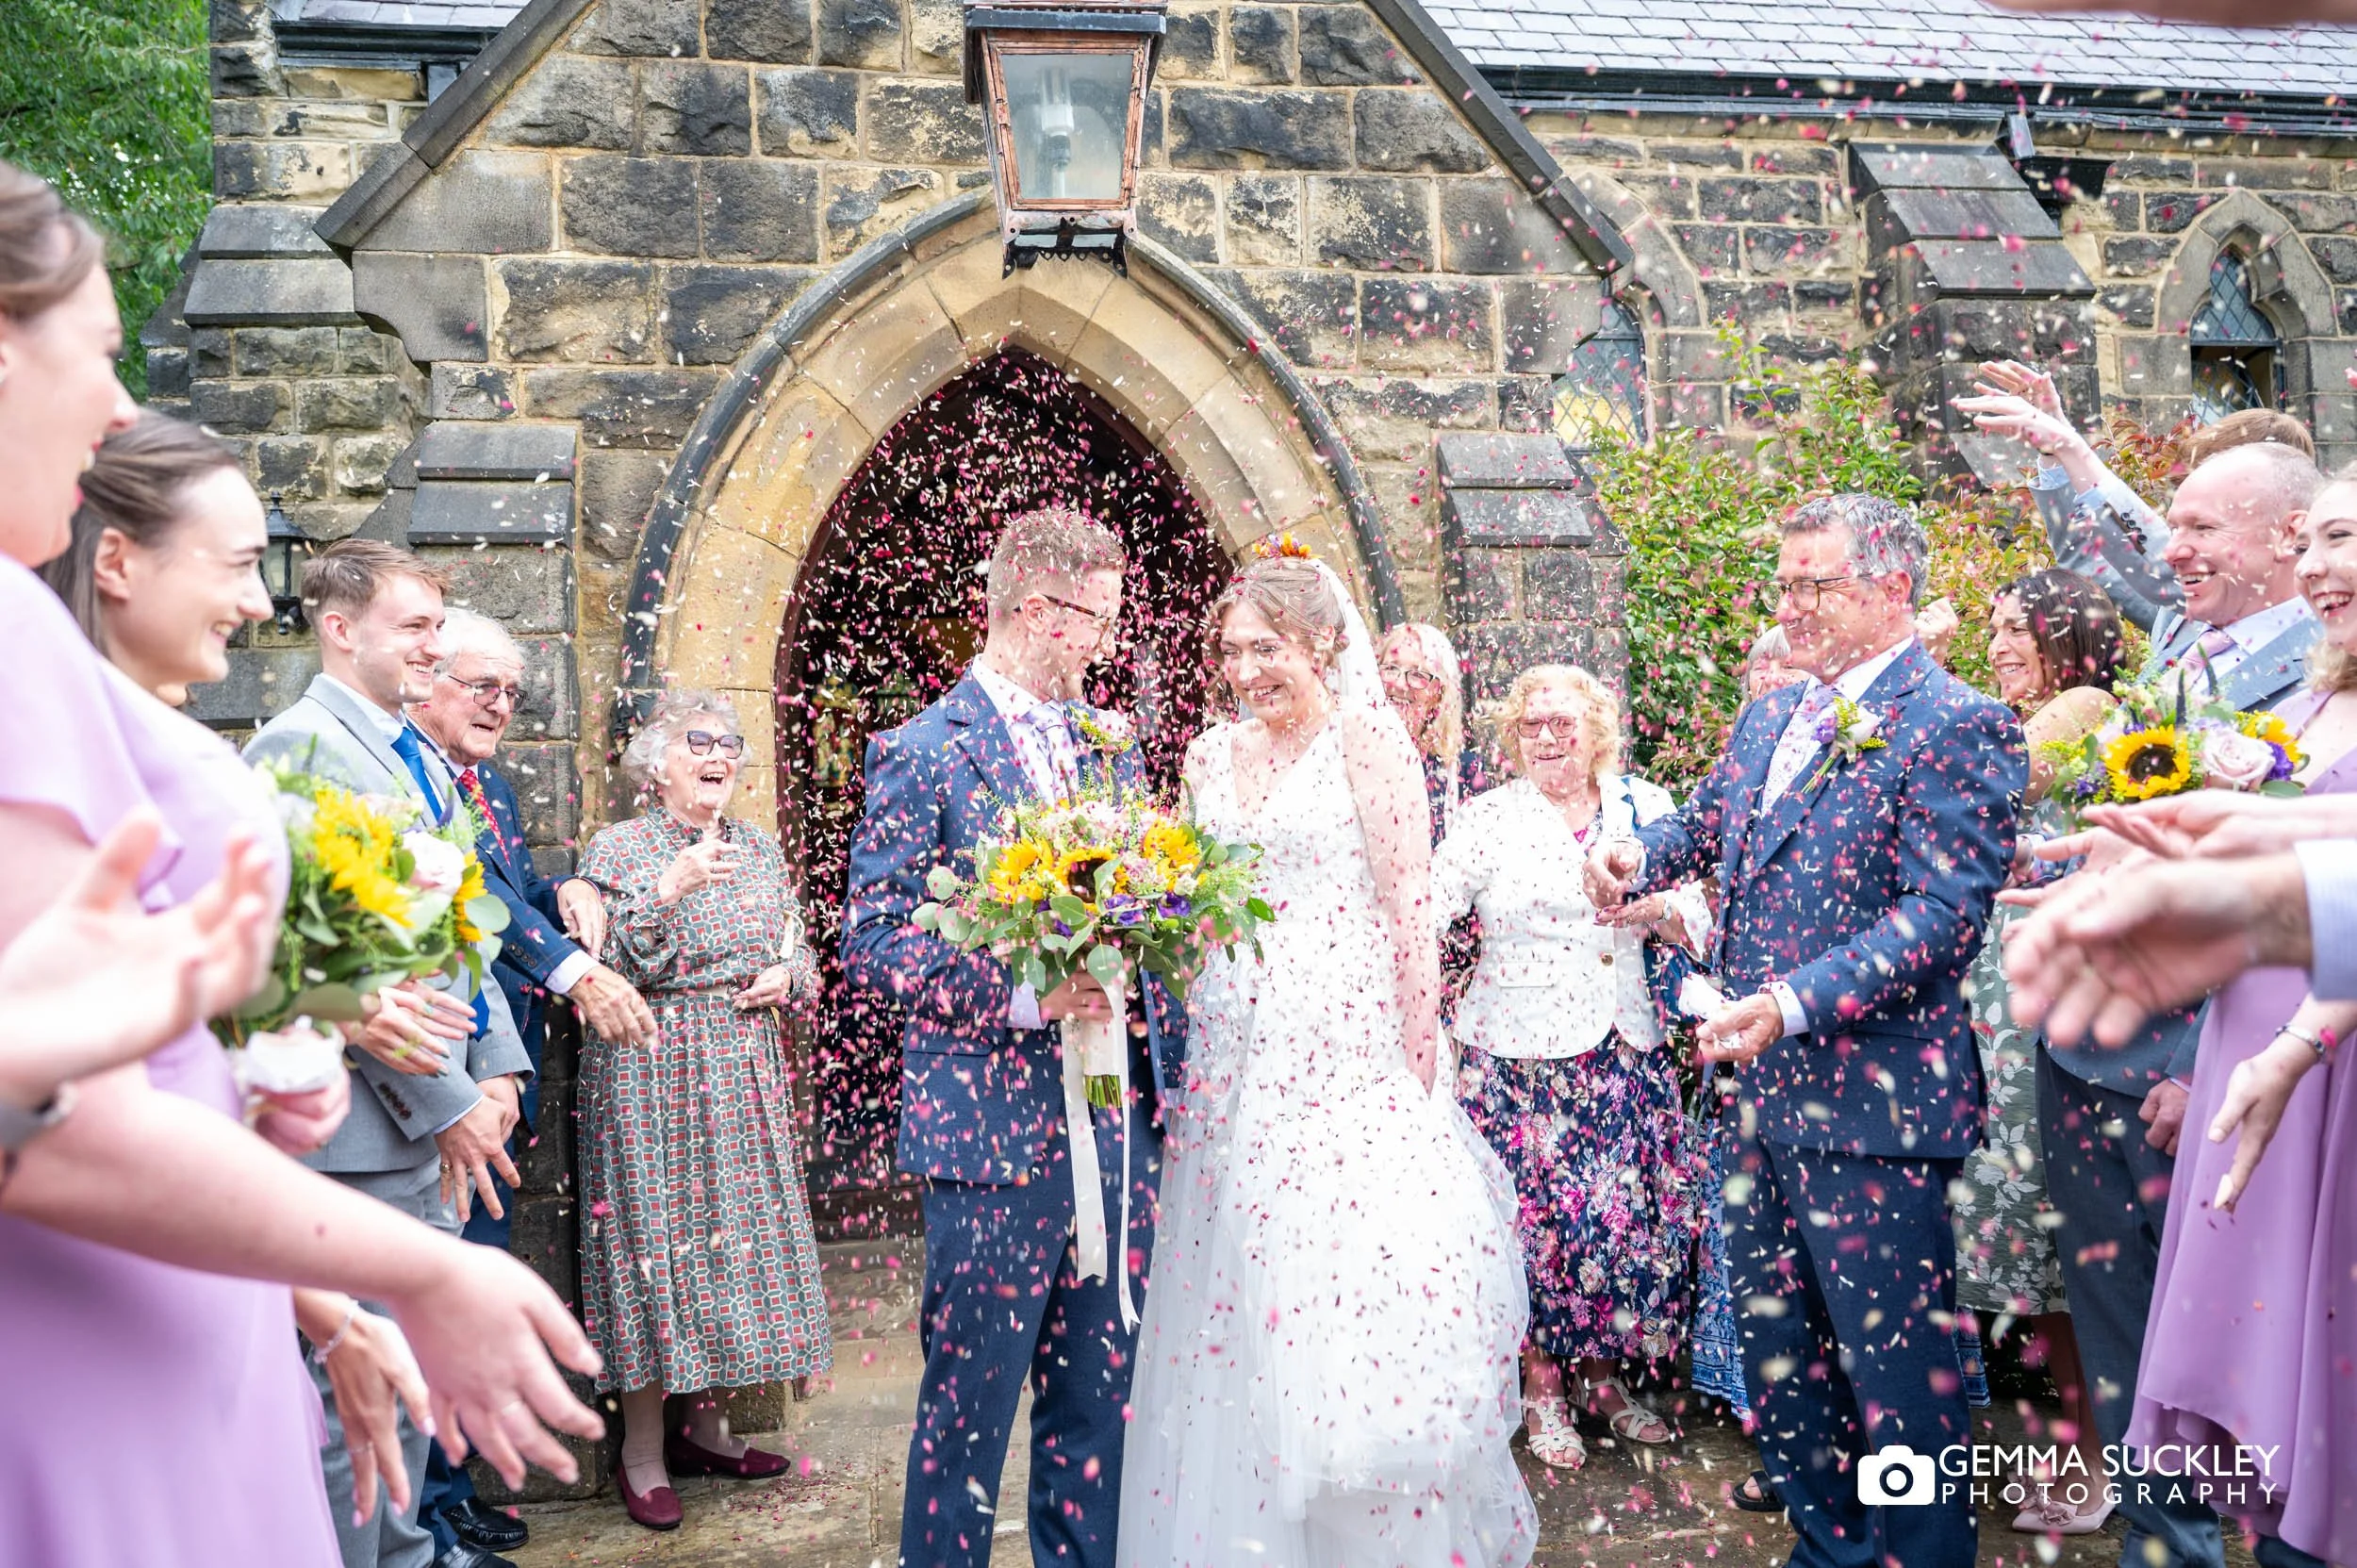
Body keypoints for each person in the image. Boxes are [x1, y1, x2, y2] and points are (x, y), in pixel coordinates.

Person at [0, 157, 601, 1568]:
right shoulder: (32, 655)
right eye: (94, 354)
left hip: (206, 1290)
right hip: (100, 1340)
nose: (112, 410)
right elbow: (46, 1118)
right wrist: (400, 1269)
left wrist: (310, 1298)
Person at [1587, 493, 2023, 1568]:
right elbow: (1707, 818)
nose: (1794, 604)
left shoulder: (1957, 721)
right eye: (1783, 583)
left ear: (1891, 588)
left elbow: (1940, 916)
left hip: (1871, 1102)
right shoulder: (1770, 717)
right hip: (1750, 1101)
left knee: (1894, 1370)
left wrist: (1787, 1003)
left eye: (1815, 583)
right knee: (1783, 1360)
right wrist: (1637, 856)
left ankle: (1919, 1553)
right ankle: (1828, 1547)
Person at [1119, 548, 1535, 1566]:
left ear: (1319, 643)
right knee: (1229, 1277)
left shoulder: (1369, 741)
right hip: (1230, 1041)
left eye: (1267, 647)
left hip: (1342, 1045)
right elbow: (1192, 903)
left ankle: (1366, 1527)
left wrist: (1415, 1055)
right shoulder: (1208, 759)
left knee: (1339, 1286)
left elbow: (1409, 906)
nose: (1246, 669)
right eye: (1231, 651)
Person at [845, 508, 1180, 1568]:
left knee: (1097, 1404)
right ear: (1036, 611)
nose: (1108, 643)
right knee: (968, 1412)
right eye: (1099, 620)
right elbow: (875, 941)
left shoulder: (1106, 748)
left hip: (1113, 1124)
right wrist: (1031, 995)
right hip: (989, 1142)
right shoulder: (920, 752)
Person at [2036, 440, 2319, 1568]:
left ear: (2285, 546)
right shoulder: (2174, 643)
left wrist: (2204, 1060)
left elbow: (2301, 911)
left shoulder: (2319, 682)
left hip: (2201, 1082)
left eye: (2203, 528)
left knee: (2239, 1374)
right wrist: (2067, 463)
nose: (2173, 545)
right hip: (2084, 1065)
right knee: (2128, 1367)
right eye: (2174, 522)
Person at [245, 537, 547, 1568]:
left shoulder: (418, 757)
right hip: (357, 1141)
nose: (434, 647)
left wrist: (501, 1070)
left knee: (407, 1395)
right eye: (415, 627)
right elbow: (318, 960)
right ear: (340, 628)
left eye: (435, 627)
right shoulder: (297, 751)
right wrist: (451, 1101)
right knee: (354, 1409)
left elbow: (470, 924)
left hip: (427, 1128)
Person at [2122, 468, 2357, 1568]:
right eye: (2308, 541)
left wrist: (2305, 1040)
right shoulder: (2309, 699)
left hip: (2329, 1058)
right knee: (2264, 1376)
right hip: (2247, 1037)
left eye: (2340, 538)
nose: (2315, 564)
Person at [404, 606, 655, 1560]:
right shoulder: (406, 783)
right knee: (437, 1294)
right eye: (484, 686)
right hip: (437, 1083)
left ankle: (449, 1488)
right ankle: (425, 1510)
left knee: (472, 1291)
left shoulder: (491, 786)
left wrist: (562, 888)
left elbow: (502, 887)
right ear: (427, 679)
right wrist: (569, 960)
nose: (502, 704)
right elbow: (469, 893)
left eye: (513, 691)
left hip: (502, 1084)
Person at [1431, 663, 1707, 1472]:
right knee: (1538, 1228)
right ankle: (1541, 1389)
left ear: (1598, 729)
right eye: (1530, 725)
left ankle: (1604, 1382)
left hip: (1625, 1044)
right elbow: (1428, 909)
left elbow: (1700, 902)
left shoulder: (1645, 806)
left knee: (1617, 1225)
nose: (1547, 737)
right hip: (1518, 1057)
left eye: (1563, 723)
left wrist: (1654, 909)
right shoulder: (1486, 819)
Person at [577, 688, 833, 1530]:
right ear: (658, 760)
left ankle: (709, 1430)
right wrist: (668, 886)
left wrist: (788, 978)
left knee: (729, 1243)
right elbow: (604, 966)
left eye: (730, 743)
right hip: (651, 1063)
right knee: (656, 1243)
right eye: (699, 741)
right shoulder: (617, 848)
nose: (719, 754)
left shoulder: (759, 846)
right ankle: (643, 1449)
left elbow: (802, 951)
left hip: (741, 1065)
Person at [1953, 569, 2124, 1534]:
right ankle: (2038, 1453)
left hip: (2046, 1016)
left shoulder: (2086, 708)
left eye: (2014, 626)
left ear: (2066, 634)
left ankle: (2085, 1460)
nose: (1999, 643)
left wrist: (1918, 673)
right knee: (1996, 1243)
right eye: (1993, 626)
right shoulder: (1998, 715)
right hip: (1988, 1010)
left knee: (2043, 1245)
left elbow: (1992, 774)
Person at [1958, 360, 2315, 634]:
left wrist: (2071, 446)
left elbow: (2160, 570)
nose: (2176, 548)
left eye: (2205, 524)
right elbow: (2084, 557)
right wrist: (2054, 450)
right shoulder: (2173, 608)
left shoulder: (2306, 591)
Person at [1377, 620, 1488, 843]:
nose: (1399, 684)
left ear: (1439, 694)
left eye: (1418, 674)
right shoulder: (1346, 756)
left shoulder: (1464, 772)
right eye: (1390, 668)